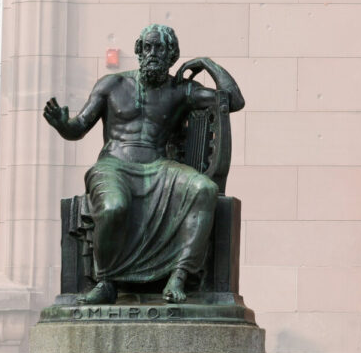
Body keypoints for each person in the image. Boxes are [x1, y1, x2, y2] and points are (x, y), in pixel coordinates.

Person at [42, 24, 244, 305]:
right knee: (113, 207)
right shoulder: (111, 84)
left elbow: (233, 100)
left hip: (158, 167)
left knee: (204, 189)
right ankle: (106, 281)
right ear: (138, 51)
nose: (153, 54)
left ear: (172, 55)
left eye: (160, 48)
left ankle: (179, 275)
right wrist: (63, 125)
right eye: (147, 47)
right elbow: (79, 127)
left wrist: (208, 64)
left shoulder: (181, 90)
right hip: (114, 165)